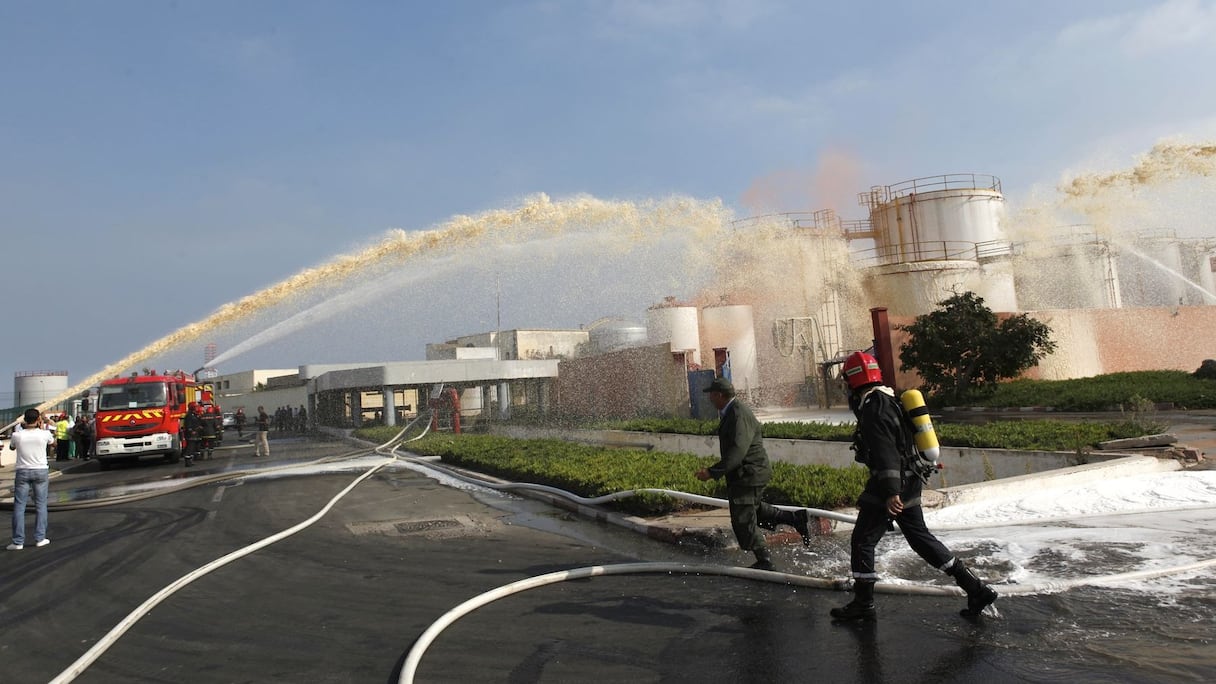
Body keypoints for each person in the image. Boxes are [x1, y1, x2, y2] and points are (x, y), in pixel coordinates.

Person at [830, 351, 998, 621]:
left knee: (862, 540)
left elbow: (886, 452)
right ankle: (975, 587)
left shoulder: (874, 407)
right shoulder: (889, 399)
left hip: (891, 485)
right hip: (910, 480)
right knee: (921, 539)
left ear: (853, 382)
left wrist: (890, 492)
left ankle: (863, 604)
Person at [695, 377, 810, 571]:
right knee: (753, 509)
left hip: (750, 472)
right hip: (748, 473)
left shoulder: (737, 414)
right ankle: (795, 519)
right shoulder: (731, 411)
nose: (710, 399)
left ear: (720, 395)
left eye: (712, 395)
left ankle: (765, 561)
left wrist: (712, 472)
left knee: (742, 517)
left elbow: (738, 451)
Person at [8, 408, 54, 550]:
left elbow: (11, 447)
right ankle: (40, 538)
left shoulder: (17, 435)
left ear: (24, 420)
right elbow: (53, 443)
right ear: (38, 420)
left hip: (22, 471)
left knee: (19, 506)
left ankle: (18, 541)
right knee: (41, 505)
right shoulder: (45, 434)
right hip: (40, 470)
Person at [182, 402, 202, 467]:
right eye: (195, 407)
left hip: (195, 433)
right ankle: (187, 461)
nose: (197, 408)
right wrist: (191, 431)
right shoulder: (189, 415)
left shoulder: (194, 415)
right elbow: (188, 425)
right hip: (190, 435)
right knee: (189, 448)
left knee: (192, 448)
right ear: (192, 407)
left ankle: (190, 460)